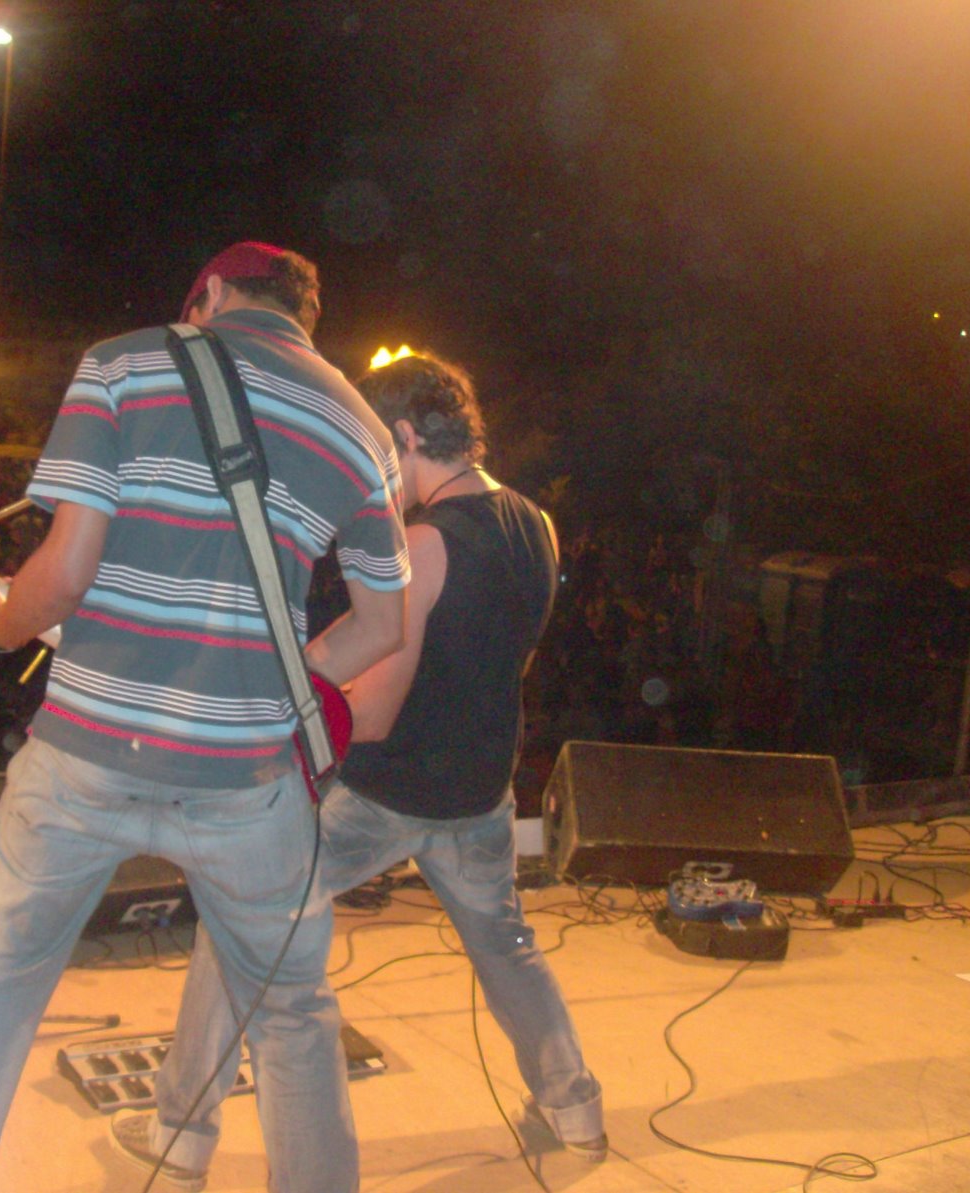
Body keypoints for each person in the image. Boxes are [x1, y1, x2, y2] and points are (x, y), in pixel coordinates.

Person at [0, 241, 409, 1191]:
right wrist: (274, 682)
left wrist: (0, 623)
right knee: (290, 1015)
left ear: (208, 294)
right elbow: (383, 624)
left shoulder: (123, 363)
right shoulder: (362, 428)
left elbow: (66, 569)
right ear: (303, 316)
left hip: (86, 755)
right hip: (246, 780)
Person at [112, 353, 606, 1189]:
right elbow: (492, 662)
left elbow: (370, 714)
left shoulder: (424, 543)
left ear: (405, 436)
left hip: (386, 796)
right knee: (507, 947)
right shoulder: (536, 524)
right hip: (481, 791)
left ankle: (180, 1133)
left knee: (236, 922)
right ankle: (575, 1108)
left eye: (378, 454)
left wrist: (275, 696)